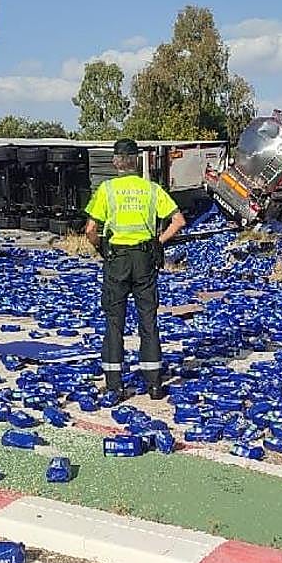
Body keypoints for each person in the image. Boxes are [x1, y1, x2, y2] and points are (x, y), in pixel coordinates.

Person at [84, 139, 186, 400]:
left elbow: (91, 230)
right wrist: (157, 243)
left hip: (117, 259)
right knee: (148, 321)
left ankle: (115, 385)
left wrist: (102, 249)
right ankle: (154, 384)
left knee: (114, 322)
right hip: (144, 260)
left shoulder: (107, 190)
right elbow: (178, 221)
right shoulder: (152, 190)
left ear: (116, 161)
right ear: (137, 161)